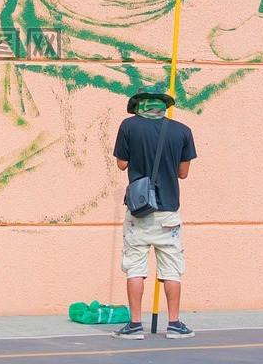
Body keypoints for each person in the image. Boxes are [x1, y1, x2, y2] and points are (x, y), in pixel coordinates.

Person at [113, 92, 197, 340]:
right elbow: (183, 173)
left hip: (138, 211)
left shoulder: (129, 126)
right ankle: (174, 324)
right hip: (168, 212)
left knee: (135, 269)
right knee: (171, 269)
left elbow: (121, 164)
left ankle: (135, 325)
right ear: (164, 107)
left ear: (138, 107)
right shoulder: (182, 131)